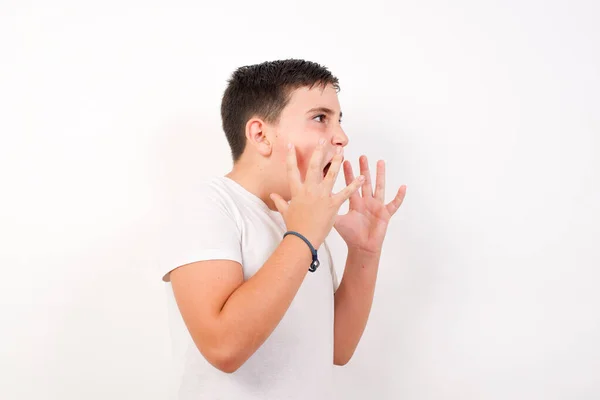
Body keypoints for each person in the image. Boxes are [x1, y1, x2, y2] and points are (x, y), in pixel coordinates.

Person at [159, 59, 407, 399]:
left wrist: (364, 252)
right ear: (260, 134)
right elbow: (223, 347)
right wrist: (302, 238)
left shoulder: (303, 220)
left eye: (338, 120)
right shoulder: (208, 204)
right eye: (320, 118)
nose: (341, 137)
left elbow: (336, 348)